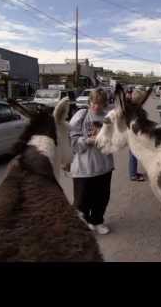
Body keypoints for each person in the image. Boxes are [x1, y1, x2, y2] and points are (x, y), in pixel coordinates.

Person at [69, 88, 114, 235]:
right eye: (94, 103)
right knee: (82, 200)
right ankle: (83, 224)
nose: (96, 106)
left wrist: (107, 141)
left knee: (101, 198)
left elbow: (114, 142)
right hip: (83, 168)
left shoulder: (108, 118)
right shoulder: (81, 116)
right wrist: (88, 140)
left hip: (104, 166)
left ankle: (97, 221)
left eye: (100, 103)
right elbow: (74, 143)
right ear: (90, 101)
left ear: (104, 103)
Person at [127, 89, 146, 182]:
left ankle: (133, 172)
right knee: (133, 155)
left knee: (134, 155)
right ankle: (133, 175)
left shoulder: (133, 108)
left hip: (133, 135)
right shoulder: (135, 110)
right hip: (134, 136)